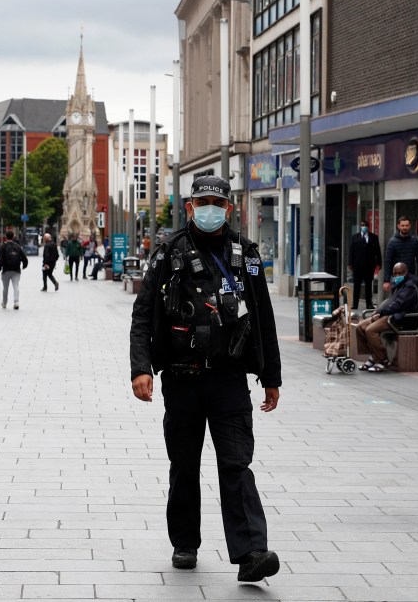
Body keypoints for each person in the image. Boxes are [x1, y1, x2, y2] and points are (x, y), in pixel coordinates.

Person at [129, 175, 282, 583]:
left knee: (237, 464)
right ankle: (185, 542)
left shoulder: (246, 253)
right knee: (184, 464)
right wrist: (140, 368)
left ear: (228, 208)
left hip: (229, 380)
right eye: (203, 201)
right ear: (190, 207)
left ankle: (251, 553)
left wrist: (271, 376)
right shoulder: (169, 251)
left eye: (217, 201)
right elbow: (144, 313)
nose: (210, 208)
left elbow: (263, 316)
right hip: (182, 379)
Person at [355, 262, 418, 372]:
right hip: (389, 315)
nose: (398, 276)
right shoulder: (397, 284)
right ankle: (373, 356)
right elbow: (390, 302)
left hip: (400, 318)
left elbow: (398, 305)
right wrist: (379, 311)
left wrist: (381, 312)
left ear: (406, 272)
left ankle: (382, 360)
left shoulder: (410, 286)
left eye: (400, 273)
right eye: (395, 274)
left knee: (370, 330)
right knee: (360, 327)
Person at [383, 217, 418, 292]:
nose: (405, 227)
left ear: (410, 226)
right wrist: (386, 280)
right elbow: (388, 262)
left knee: (410, 300)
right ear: (398, 226)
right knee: (396, 300)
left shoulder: (414, 241)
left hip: (411, 278)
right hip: (396, 278)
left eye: (407, 225)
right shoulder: (392, 242)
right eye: (402, 225)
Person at [348, 220, 382, 309]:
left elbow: (377, 251)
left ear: (368, 226)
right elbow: (351, 251)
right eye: (362, 225)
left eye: (366, 225)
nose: (364, 227)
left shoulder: (374, 237)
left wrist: (379, 263)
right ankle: (355, 304)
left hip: (369, 266)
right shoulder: (355, 237)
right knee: (357, 285)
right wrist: (350, 263)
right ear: (360, 226)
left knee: (368, 285)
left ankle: (369, 303)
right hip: (357, 266)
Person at [0, 229, 28, 309]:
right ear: (13, 237)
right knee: (16, 286)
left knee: (5, 288)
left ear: (6, 237)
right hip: (16, 270)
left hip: (6, 270)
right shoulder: (18, 246)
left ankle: (4, 303)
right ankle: (16, 302)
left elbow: (0, 259)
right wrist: (24, 265)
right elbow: (24, 258)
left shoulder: (3, 246)